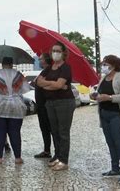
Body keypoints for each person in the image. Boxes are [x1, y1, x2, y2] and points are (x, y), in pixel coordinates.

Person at [91, 55, 120, 185]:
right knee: (110, 143)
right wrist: (95, 95)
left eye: (105, 64)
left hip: (117, 115)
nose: (103, 66)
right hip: (104, 115)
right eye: (103, 63)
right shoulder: (103, 78)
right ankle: (115, 169)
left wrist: (109, 97)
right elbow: (100, 94)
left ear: (113, 65)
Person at [0, 57, 30, 164]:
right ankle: (18, 158)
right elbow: (25, 90)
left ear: (2, 64)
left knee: (0, 131)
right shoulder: (18, 75)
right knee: (15, 132)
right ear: (12, 64)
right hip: (16, 107)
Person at [37, 41, 75, 171]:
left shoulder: (65, 68)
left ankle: (64, 160)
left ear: (63, 53)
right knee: (55, 131)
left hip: (64, 102)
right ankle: (57, 156)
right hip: (50, 103)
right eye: (53, 50)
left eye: (58, 51)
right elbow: (39, 82)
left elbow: (59, 85)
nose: (55, 53)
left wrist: (49, 84)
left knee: (63, 132)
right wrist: (54, 84)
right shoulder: (48, 68)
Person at [34, 53, 55, 159]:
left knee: (51, 129)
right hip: (41, 105)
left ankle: (56, 152)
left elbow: (44, 84)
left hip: (46, 105)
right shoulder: (44, 71)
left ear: (46, 60)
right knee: (44, 128)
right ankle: (47, 150)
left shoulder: (50, 71)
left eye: (40, 58)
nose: (39, 60)